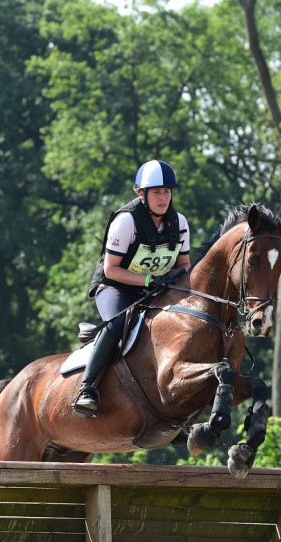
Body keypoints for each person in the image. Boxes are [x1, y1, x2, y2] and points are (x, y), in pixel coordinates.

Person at [72, 159, 192, 416]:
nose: (163, 198)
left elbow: (184, 264)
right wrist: (150, 280)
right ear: (142, 194)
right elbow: (111, 269)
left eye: (167, 192)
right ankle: (87, 388)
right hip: (115, 287)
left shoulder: (179, 223)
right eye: (157, 192)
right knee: (118, 323)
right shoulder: (126, 221)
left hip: (154, 290)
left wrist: (175, 279)